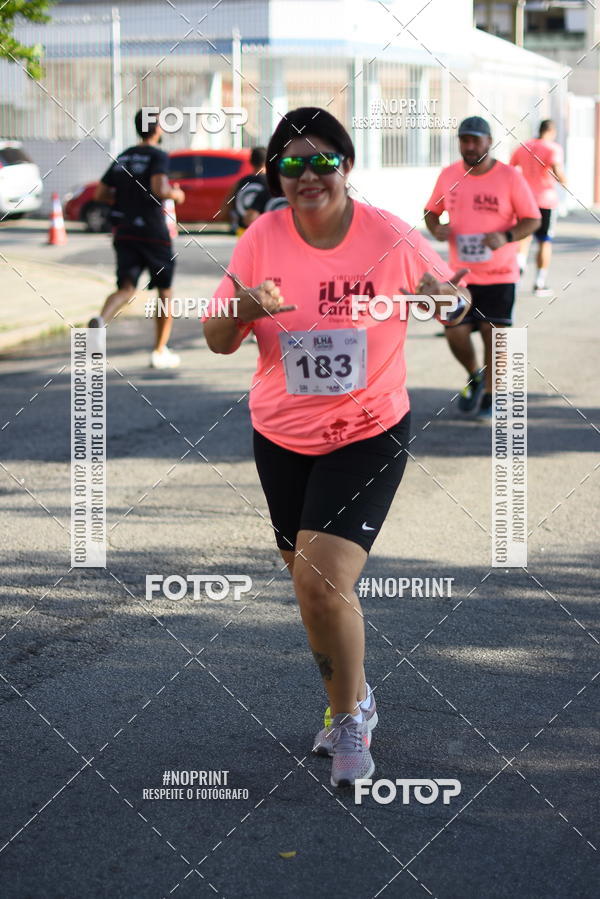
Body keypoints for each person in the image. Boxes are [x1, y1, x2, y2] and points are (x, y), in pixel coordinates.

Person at [203, 107, 471, 788]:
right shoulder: (261, 237)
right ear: (276, 176)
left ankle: (350, 718)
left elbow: (456, 302)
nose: (307, 174)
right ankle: (349, 697)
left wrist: (447, 301)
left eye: (322, 160)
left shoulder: (390, 235)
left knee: (323, 578)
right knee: (306, 577)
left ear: (347, 167)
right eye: (291, 164)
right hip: (281, 434)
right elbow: (216, 336)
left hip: (368, 430)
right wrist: (243, 311)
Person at [424, 116, 541, 420]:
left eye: (476, 140)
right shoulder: (449, 175)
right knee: (455, 333)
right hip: (460, 276)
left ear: (489, 142)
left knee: (493, 334)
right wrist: (436, 227)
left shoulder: (510, 178)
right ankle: (474, 374)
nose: (470, 145)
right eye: (465, 140)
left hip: (500, 274)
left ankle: (490, 394)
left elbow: (532, 219)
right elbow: (431, 211)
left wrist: (506, 237)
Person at [87, 108, 185, 369]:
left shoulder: (123, 156)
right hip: (153, 232)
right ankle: (159, 350)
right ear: (157, 129)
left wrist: (122, 201)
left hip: (124, 228)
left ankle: (101, 321)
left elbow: (100, 193)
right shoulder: (158, 155)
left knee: (126, 288)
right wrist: (176, 195)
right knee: (165, 291)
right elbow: (159, 189)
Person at [510, 119, 567, 296]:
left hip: (525, 201)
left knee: (523, 239)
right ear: (551, 131)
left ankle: (516, 277)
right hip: (545, 201)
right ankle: (539, 283)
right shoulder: (552, 148)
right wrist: (564, 180)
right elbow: (557, 172)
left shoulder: (523, 146)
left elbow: (511, 168)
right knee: (544, 241)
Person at [228, 146, 268, 235]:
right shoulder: (271, 182)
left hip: (244, 231)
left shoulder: (241, 182)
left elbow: (228, 205)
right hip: (265, 231)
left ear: (251, 162)